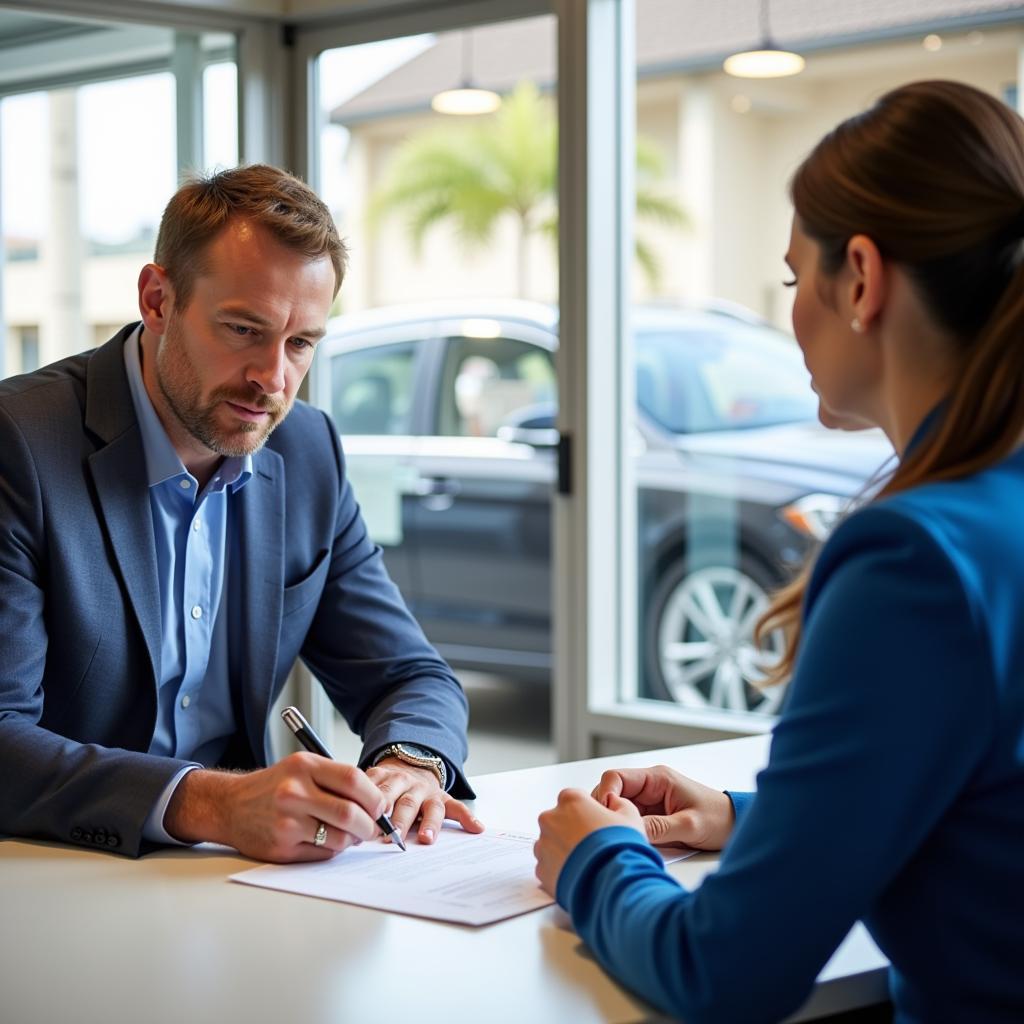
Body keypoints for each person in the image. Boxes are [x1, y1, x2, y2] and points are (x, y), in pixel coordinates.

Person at [534, 79, 1024, 1023]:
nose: (793, 311)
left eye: (799, 279)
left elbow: (725, 973)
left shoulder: (915, 561)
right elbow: (986, 815)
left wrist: (595, 859)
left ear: (865, 281)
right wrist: (748, 818)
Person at [0, 164, 482, 862]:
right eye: (243, 330)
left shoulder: (309, 451)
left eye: (300, 343)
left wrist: (409, 763)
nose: (273, 379)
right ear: (157, 300)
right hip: (55, 872)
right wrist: (212, 803)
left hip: (236, 882)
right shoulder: (20, 444)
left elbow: (412, 676)